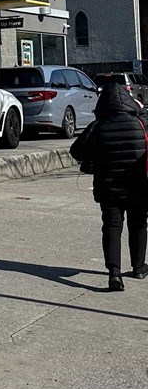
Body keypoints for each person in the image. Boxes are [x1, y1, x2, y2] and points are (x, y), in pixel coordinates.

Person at [71, 82, 148, 291]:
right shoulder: (141, 122)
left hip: (109, 187)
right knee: (139, 224)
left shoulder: (98, 125)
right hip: (139, 185)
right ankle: (139, 268)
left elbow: (76, 151)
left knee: (112, 226)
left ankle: (114, 274)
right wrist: (141, 109)